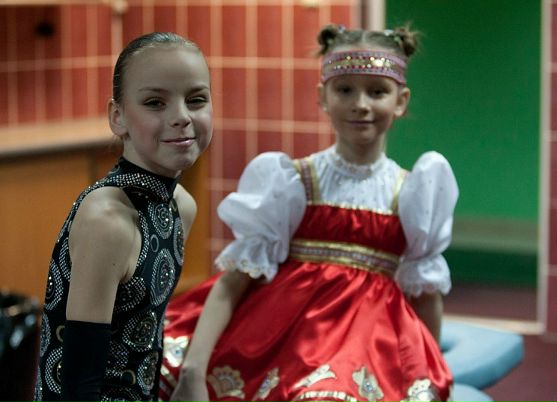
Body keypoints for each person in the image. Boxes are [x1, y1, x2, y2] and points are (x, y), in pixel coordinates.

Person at [160, 24, 458, 402]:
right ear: (322, 97)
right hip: (283, 343)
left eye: (377, 91)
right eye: (344, 90)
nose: (360, 104)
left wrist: (429, 375)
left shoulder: (414, 194)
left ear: (400, 101)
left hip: (368, 346)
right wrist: (192, 370)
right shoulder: (291, 182)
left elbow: (426, 295)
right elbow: (234, 280)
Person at [34, 32, 213, 402]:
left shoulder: (180, 206)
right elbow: (80, 383)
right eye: (155, 103)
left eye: (196, 99)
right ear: (118, 117)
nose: (181, 117)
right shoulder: (108, 219)